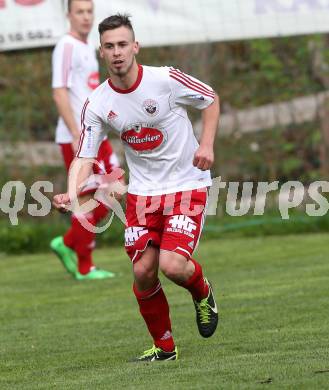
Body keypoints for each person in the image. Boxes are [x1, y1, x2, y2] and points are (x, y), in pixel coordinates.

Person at [53, 13, 220, 360]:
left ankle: (202, 292)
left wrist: (206, 145)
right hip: (143, 194)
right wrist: (72, 191)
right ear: (102, 52)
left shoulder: (165, 79)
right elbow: (84, 156)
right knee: (143, 272)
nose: (117, 52)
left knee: (173, 266)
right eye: (110, 46)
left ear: (135, 47)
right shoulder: (98, 103)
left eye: (123, 45)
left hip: (186, 184)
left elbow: (210, 98)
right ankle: (165, 348)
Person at [50, 0, 121, 280]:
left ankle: (67, 243)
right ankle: (85, 267)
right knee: (86, 198)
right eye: (80, 11)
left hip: (95, 133)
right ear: (68, 15)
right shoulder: (65, 46)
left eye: (89, 11)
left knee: (115, 187)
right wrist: (75, 130)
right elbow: (59, 92)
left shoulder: (87, 47)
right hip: (77, 136)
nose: (86, 17)